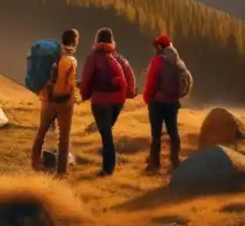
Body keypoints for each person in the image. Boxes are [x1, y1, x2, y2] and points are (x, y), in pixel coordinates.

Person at [80, 27, 137, 176]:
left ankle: (108, 169)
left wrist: (85, 95)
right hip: (118, 102)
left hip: (100, 101)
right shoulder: (119, 58)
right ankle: (108, 162)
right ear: (112, 41)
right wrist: (129, 94)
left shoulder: (94, 57)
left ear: (97, 40)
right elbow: (130, 78)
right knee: (107, 132)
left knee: (106, 135)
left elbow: (86, 78)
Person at [30, 29, 79, 176]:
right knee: (64, 137)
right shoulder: (71, 61)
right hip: (63, 103)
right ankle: (61, 172)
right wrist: (73, 99)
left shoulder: (53, 56)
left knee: (41, 132)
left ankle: (35, 162)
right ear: (75, 41)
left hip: (47, 100)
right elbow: (70, 85)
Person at [142, 34, 186, 174]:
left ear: (160, 47)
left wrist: (147, 98)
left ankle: (154, 163)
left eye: (156, 46)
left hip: (158, 103)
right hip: (173, 102)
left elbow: (152, 83)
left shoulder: (158, 61)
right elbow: (186, 80)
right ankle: (175, 160)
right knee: (173, 131)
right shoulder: (178, 61)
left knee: (156, 134)